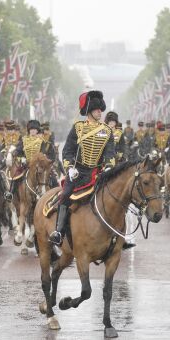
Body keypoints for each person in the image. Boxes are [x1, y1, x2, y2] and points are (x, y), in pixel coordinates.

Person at [48, 90, 115, 253]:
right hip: (77, 172)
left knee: (114, 195)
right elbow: (68, 151)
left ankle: (115, 235)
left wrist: (108, 165)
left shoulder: (107, 131)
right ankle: (59, 231)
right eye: (97, 109)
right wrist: (70, 168)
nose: (100, 112)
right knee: (66, 194)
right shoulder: (78, 128)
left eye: (101, 109)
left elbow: (110, 153)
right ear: (90, 111)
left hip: (96, 173)